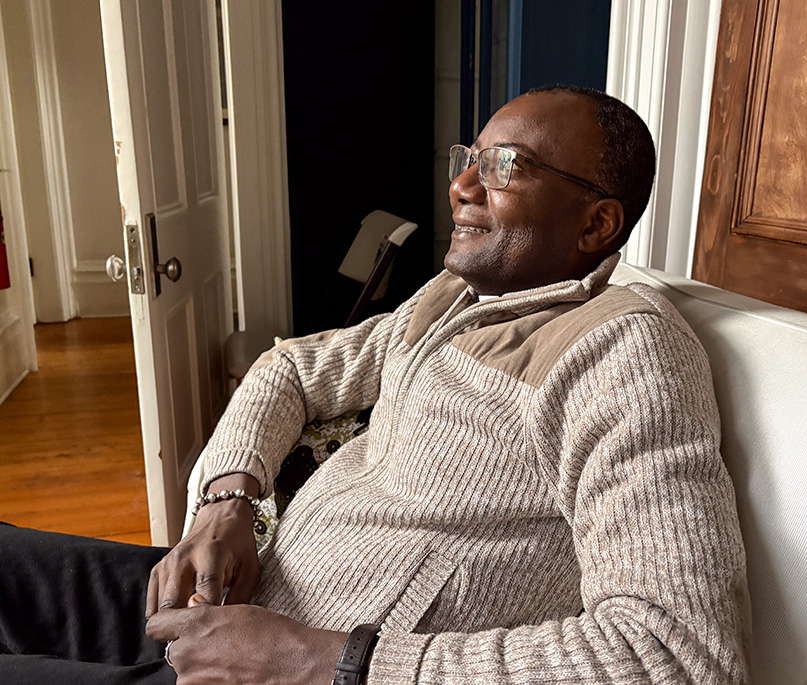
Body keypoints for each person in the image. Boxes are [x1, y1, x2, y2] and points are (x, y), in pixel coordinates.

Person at [0, 85, 750, 684]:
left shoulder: (623, 350)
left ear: (596, 224)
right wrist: (226, 502)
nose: (461, 185)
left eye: (506, 167)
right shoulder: (450, 300)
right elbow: (291, 368)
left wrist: (329, 663)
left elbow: (678, 653)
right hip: (237, 597)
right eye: (469, 158)